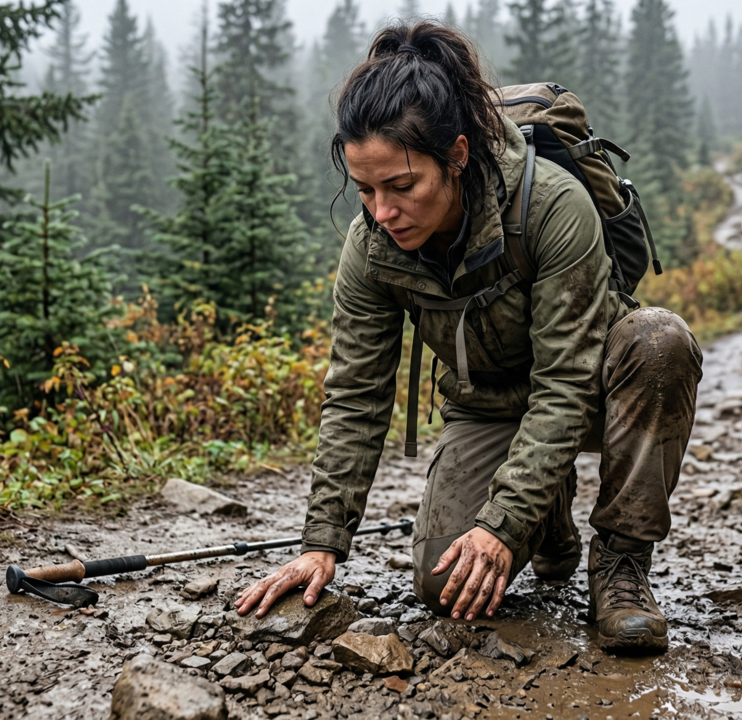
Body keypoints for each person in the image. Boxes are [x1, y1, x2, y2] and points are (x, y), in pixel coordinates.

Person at [234, 20, 702, 654]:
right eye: (365, 189)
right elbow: (355, 397)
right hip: (485, 406)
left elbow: (565, 384)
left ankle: (621, 564)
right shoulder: (371, 247)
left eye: (402, 186)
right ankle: (548, 513)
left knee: (659, 340)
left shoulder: (551, 206)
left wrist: (501, 527)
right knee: (442, 584)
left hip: (589, 388)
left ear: (457, 155)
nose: (382, 212)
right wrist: (322, 544)